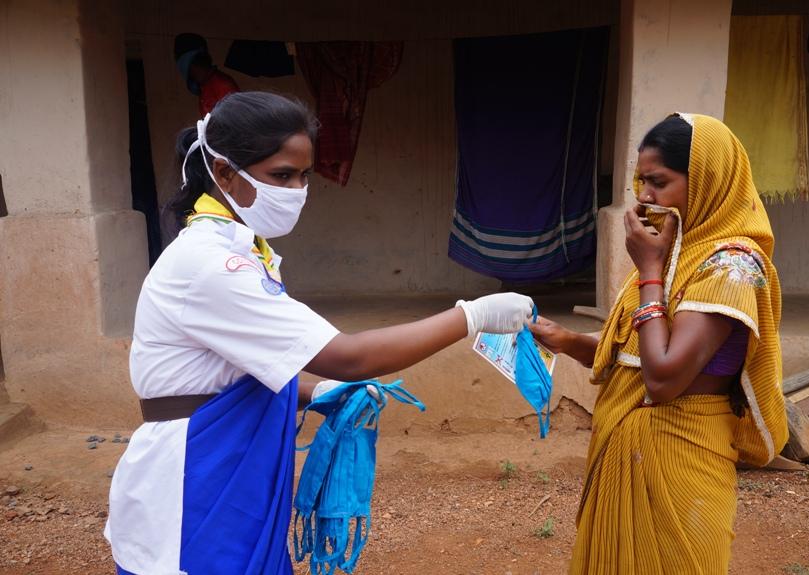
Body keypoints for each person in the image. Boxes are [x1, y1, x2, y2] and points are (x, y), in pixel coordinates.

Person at [104, 91, 533, 575]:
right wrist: (471, 316)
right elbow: (345, 355)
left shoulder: (241, 251)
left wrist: (316, 391)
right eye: (281, 175)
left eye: (304, 175)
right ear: (224, 172)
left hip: (230, 461)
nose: (297, 190)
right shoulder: (211, 264)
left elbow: (230, 371)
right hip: (197, 473)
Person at [529, 113, 789, 574]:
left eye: (659, 182)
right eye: (641, 181)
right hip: (629, 452)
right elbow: (636, 356)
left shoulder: (730, 268)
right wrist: (566, 340)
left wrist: (649, 271)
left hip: (681, 461)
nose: (645, 196)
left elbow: (664, 378)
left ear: (707, 181)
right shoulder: (677, 254)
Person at [174, 33, 240, 115]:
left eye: (195, 69)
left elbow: (235, 120)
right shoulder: (204, 87)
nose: (193, 75)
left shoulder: (223, 85)